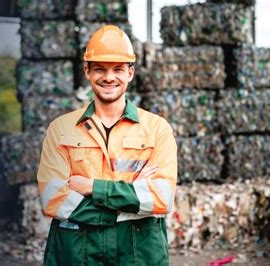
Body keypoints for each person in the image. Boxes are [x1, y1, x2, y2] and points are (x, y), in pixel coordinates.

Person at [37, 25, 177, 266]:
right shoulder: (61, 129)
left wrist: (91, 187)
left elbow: (161, 199)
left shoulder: (157, 129)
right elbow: (53, 199)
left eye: (118, 69)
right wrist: (132, 195)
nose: (109, 77)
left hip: (137, 252)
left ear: (130, 72)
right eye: (100, 69)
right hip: (79, 252)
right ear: (87, 71)